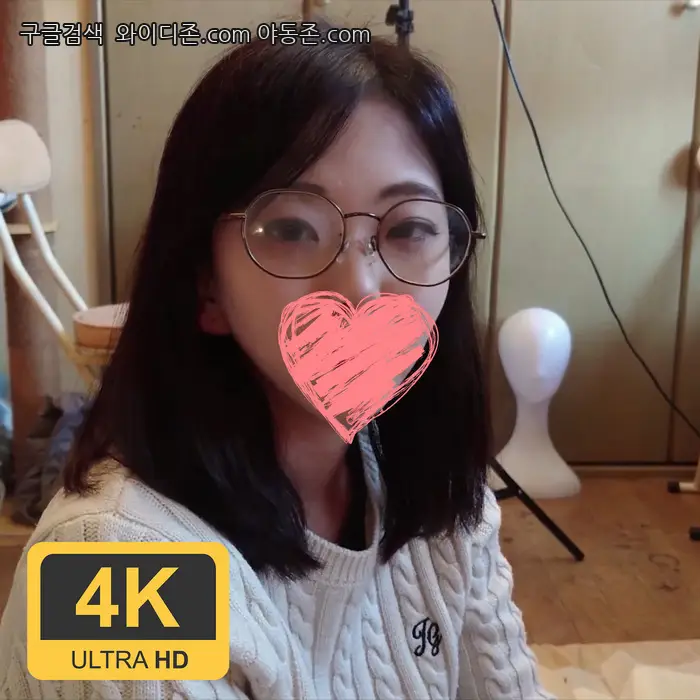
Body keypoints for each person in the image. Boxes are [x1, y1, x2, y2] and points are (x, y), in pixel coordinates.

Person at [0, 20, 554, 700]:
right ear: (205, 284)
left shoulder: (435, 483)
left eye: (409, 228)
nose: (362, 288)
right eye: (292, 229)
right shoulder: (110, 562)